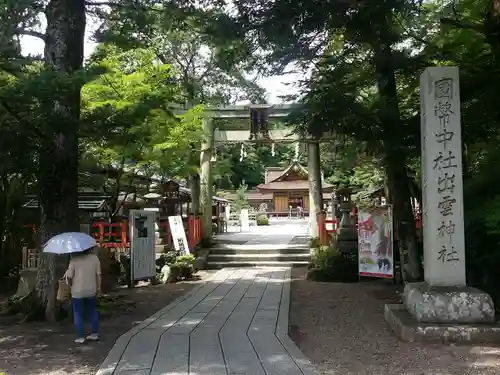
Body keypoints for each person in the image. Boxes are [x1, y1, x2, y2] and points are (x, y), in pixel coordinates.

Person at [64, 247, 102, 343]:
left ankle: (80, 337)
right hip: (91, 290)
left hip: (77, 291)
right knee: (93, 311)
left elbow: (69, 277)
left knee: (78, 314)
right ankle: (94, 334)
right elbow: (99, 274)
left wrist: (70, 284)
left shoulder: (74, 260)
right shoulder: (94, 258)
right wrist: (99, 288)